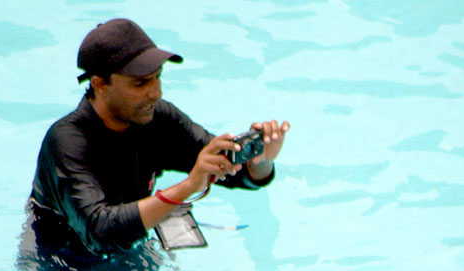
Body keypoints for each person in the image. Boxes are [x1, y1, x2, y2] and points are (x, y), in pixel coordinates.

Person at [28, 18, 289, 256]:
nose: (156, 93)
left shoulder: (156, 118)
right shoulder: (66, 142)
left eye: (157, 77)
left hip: (131, 243)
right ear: (99, 84)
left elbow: (226, 168)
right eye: (140, 83)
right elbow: (99, 231)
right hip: (63, 261)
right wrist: (186, 188)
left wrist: (260, 162)